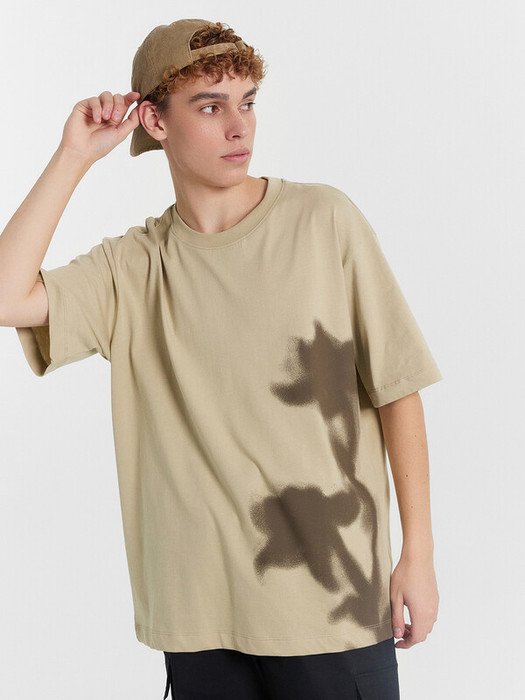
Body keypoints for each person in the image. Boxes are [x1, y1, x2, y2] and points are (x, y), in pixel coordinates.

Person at [0, 18, 443, 700]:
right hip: (198, 619)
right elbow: (8, 296)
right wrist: (73, 156)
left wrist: (418, 553)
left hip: (330, 608)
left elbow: (397, 387)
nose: (239, 127)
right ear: (155, 121)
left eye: (247, 102)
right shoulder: (135, 268)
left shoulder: (324, 221)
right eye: (210, 107)